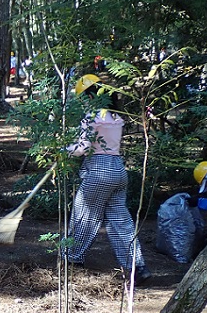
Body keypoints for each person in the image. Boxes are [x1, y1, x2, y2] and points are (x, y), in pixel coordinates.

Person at [63, 74, 152, 282]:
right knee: (121, 222)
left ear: (90, 96)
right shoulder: (116, 117)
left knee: (83, 214)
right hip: (118, 171)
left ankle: (72, 259)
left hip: (99, 171)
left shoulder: (92, 116)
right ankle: (137, 266)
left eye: (84, 97)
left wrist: (63, 150)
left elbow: (83, 148)